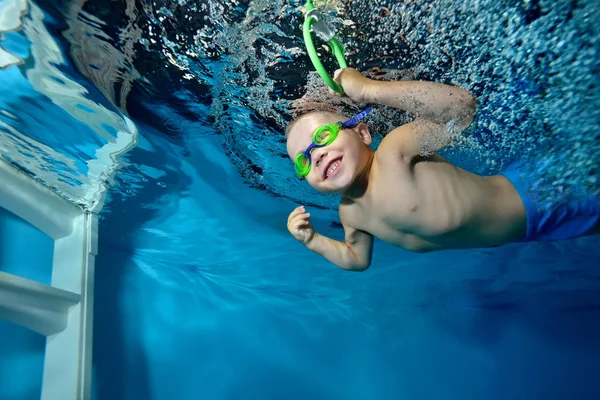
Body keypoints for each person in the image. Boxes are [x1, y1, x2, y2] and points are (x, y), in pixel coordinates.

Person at [285, 68, 600, 271]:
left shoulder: (394, 152)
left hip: (540, 194)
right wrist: (312, 240)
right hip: (527, 232)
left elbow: (461, 109)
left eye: (322, 137)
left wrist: (367, 89)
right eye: (304, 160)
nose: (317, 155)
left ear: (363, 133)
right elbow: (357, 259)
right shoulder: (350, 214)